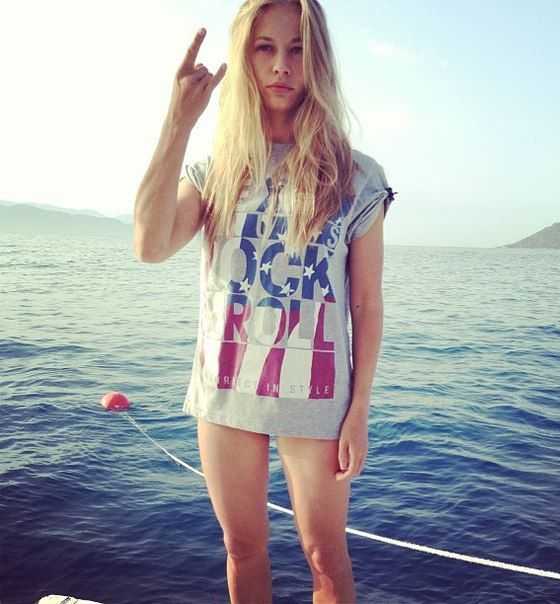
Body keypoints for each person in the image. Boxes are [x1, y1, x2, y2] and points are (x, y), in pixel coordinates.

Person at [134, 1, 396, 602]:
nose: (282, 65)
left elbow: (366, 304)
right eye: (265, 48)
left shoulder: (356, 177)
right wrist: (178, 121)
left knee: (326, 556)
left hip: (317, 394)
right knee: (242, 548)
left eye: (298, 49)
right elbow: (149, 245)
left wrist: (358, 408)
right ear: (245, 57)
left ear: (318, 60)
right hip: (226, 390)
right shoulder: (217, 172)